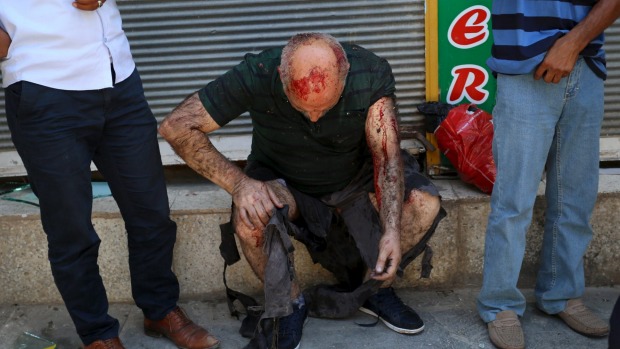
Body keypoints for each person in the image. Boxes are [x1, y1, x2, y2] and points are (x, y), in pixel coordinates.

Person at [159, 32, 444, 349]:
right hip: (285, 184)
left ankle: (372, 290)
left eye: (324, 107)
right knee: (250, 216)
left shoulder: (370, 72)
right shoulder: (258, 72)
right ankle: (290, 305)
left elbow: (387, 157)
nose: (314, 117)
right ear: (281, 76)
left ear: (345, 71)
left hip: (353, 177)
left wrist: (391, 230)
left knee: (423, 202)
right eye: (302, 108)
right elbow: (175, 126)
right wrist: (238, 184)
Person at [0, 1, 220, 349]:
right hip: (44, 88)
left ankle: (159, 309)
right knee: (71, 229)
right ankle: (98, 334)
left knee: (151, 213)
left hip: (119, 83)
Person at [477, 1, 620, 349]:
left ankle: (563, 294)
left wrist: (573, 43)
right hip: (525, 69)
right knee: (514, 200)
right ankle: (500, 305)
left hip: (586, 67)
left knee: (576, 196)